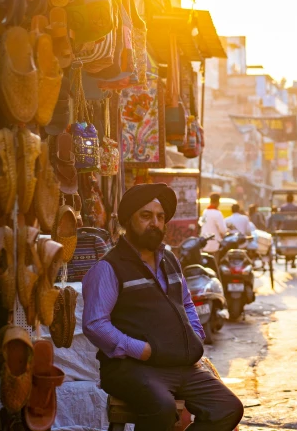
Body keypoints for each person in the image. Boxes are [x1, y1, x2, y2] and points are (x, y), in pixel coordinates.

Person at [82, 183, 243, 431]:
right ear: (128, 220)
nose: (155, 223)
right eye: (146, 216)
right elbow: (95, 324)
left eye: (160, 217)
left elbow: (186, 302)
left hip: (179, 364)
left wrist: (195, 336)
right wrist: (141, 350)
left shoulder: (169, 259)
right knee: (162, 408)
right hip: (131, 368)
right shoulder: (109, 267)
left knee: (228, 408)